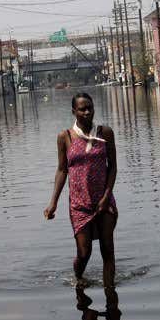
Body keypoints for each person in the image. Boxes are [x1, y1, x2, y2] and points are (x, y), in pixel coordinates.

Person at [44, 92, 118, 287]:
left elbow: (113, 167)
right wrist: (53, 203)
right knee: (84, 252)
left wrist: (106, 195)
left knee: (107, 249)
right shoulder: (65, 137)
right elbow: (62, 170)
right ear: (74, 112)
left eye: (90, 108)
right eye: (82, 109)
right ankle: (78, 279)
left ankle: (110, 293)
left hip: (104, 199)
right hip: (79, 204)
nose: (87, 112)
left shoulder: (105, 133)